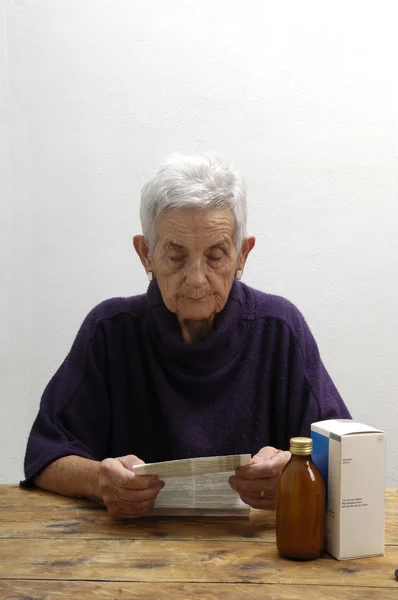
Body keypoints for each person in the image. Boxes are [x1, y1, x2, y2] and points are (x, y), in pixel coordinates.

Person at [23, 153, 351, 518]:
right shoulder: (110, 330)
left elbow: (346, 457)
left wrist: (293, 471)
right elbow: (44, 456)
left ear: (242, 254)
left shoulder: (279, 329)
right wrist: (98, 479)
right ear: (145, 254)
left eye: (215, 256)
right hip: (127, 553)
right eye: (176, 257)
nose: (196, 279)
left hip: (257, 555)